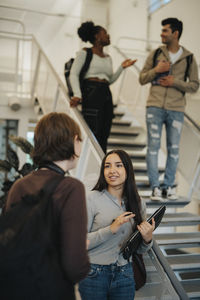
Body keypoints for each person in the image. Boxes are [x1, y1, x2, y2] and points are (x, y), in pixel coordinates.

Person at [5, 112, 90, 300]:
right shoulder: (71, 188)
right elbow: (75, 268)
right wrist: (82, 249)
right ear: (75, 141)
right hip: (51, 289)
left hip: (17, 288)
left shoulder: (19, 185)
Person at [79, 149, 155, 300]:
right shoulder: (91, 199)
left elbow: (138, 248)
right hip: (94, 274)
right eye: (107, 166)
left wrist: (147, 239)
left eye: (118, 165)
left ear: (127, 170)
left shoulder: (138, 203)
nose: (112, 170)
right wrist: (110, 229)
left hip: (125, 273)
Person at [139, 18, 199, 201]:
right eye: (162, 30)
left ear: (175, 33)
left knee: (173, 149)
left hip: (176, 109)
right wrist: (156, 70)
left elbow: (195, 85)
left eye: (165, 31)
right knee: (153, 148)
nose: (161, 34)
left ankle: (169, 187)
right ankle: (155, 188)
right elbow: (142, 78)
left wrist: (176, 82)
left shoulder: (188, 58)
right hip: (154, 107)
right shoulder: (156, 53)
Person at [70, 21, 137, 153]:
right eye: (105, 33)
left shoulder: (108, 57)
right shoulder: (85, 53)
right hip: (91, 92)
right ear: (96, 36)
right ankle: (88, 160)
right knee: (93, 130)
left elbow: (109, 79)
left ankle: (101, 162)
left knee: (104, 132)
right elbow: (74, 74)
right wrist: (77, 94)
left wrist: (121, 68)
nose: (108, 35)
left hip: (106, 93)